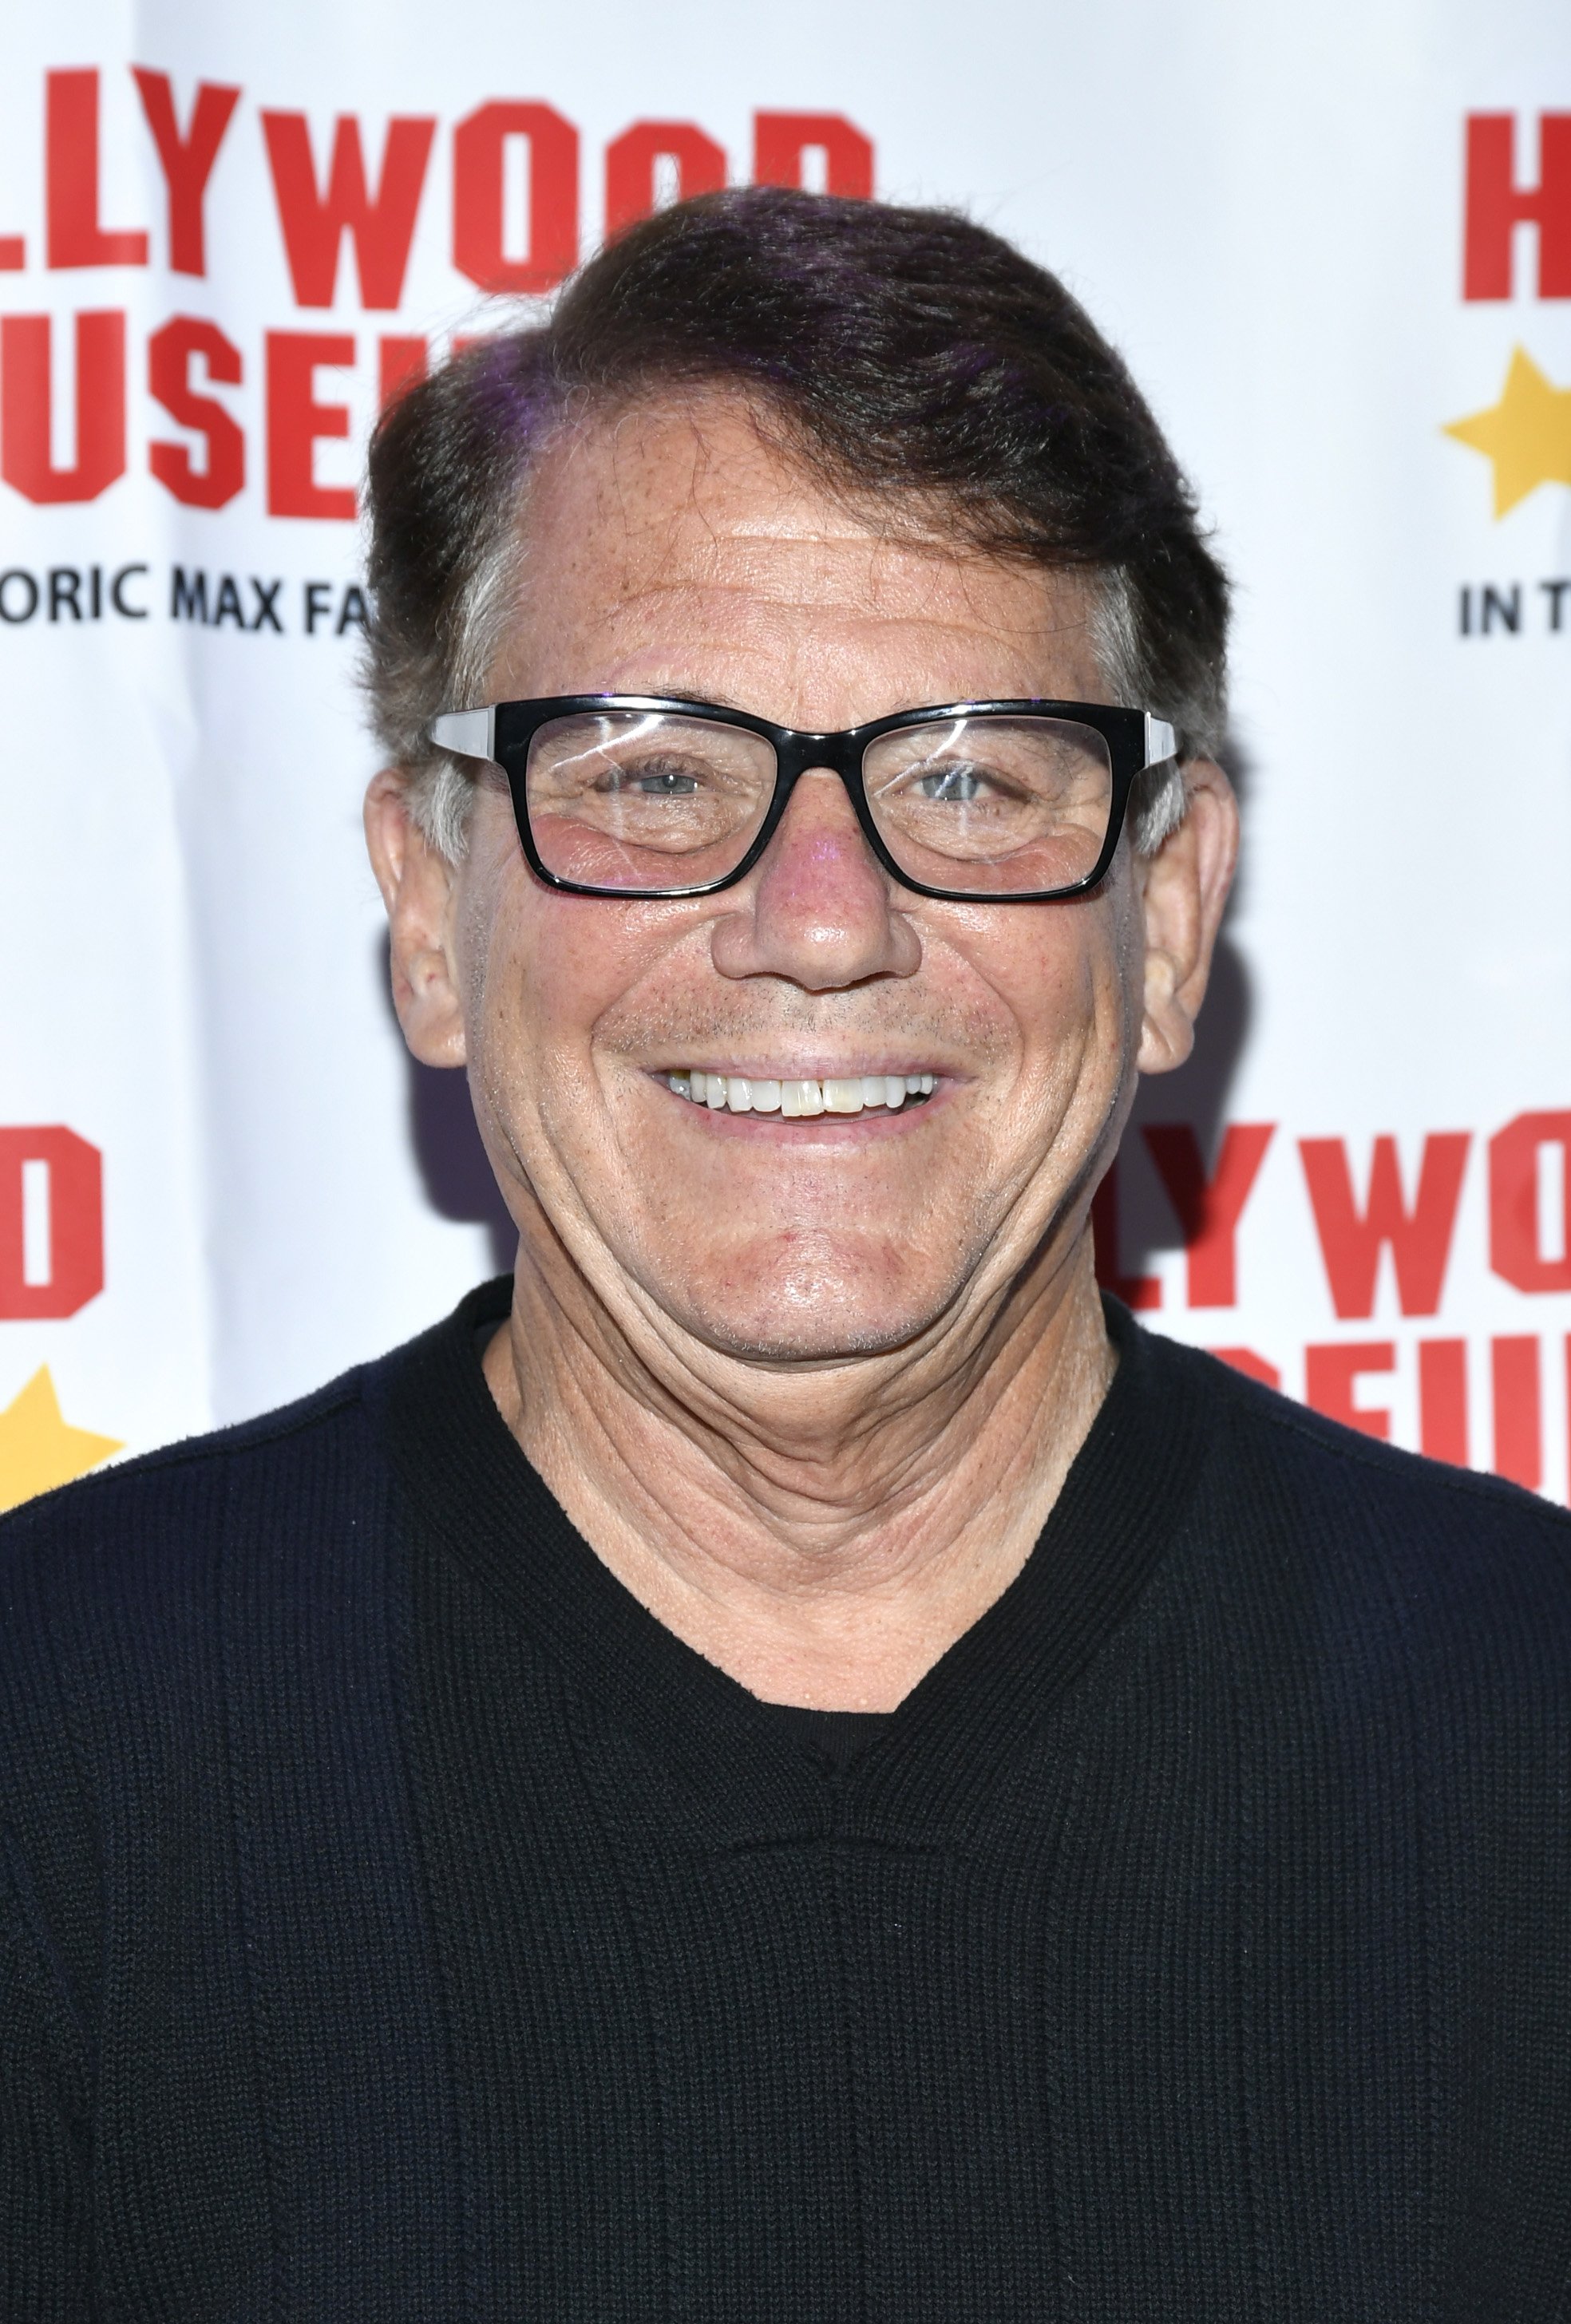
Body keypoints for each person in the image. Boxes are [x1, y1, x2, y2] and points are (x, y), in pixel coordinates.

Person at [3, 188, 1569, 2320]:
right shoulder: (57, 1766)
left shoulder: (1528, 1735)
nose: (822, 921)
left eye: (975, 779)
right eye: (651, 778)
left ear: (1173, 913)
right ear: (424, 903)